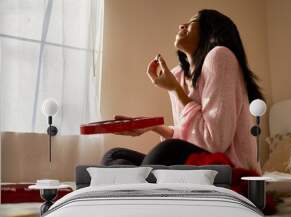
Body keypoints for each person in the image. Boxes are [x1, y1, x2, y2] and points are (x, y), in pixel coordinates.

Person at [101, 9, 264, 174]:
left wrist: (175, 89)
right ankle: (142, 190)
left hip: (230, 171)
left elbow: (215, 143)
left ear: (211, 30)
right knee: (114, 156)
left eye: (193, 21)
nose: (182, 25)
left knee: (167, 150)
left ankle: (136, 190)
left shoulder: (221, 57)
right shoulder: (178, 75)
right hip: (198, 164)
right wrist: (152, 126)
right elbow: (188, 136)